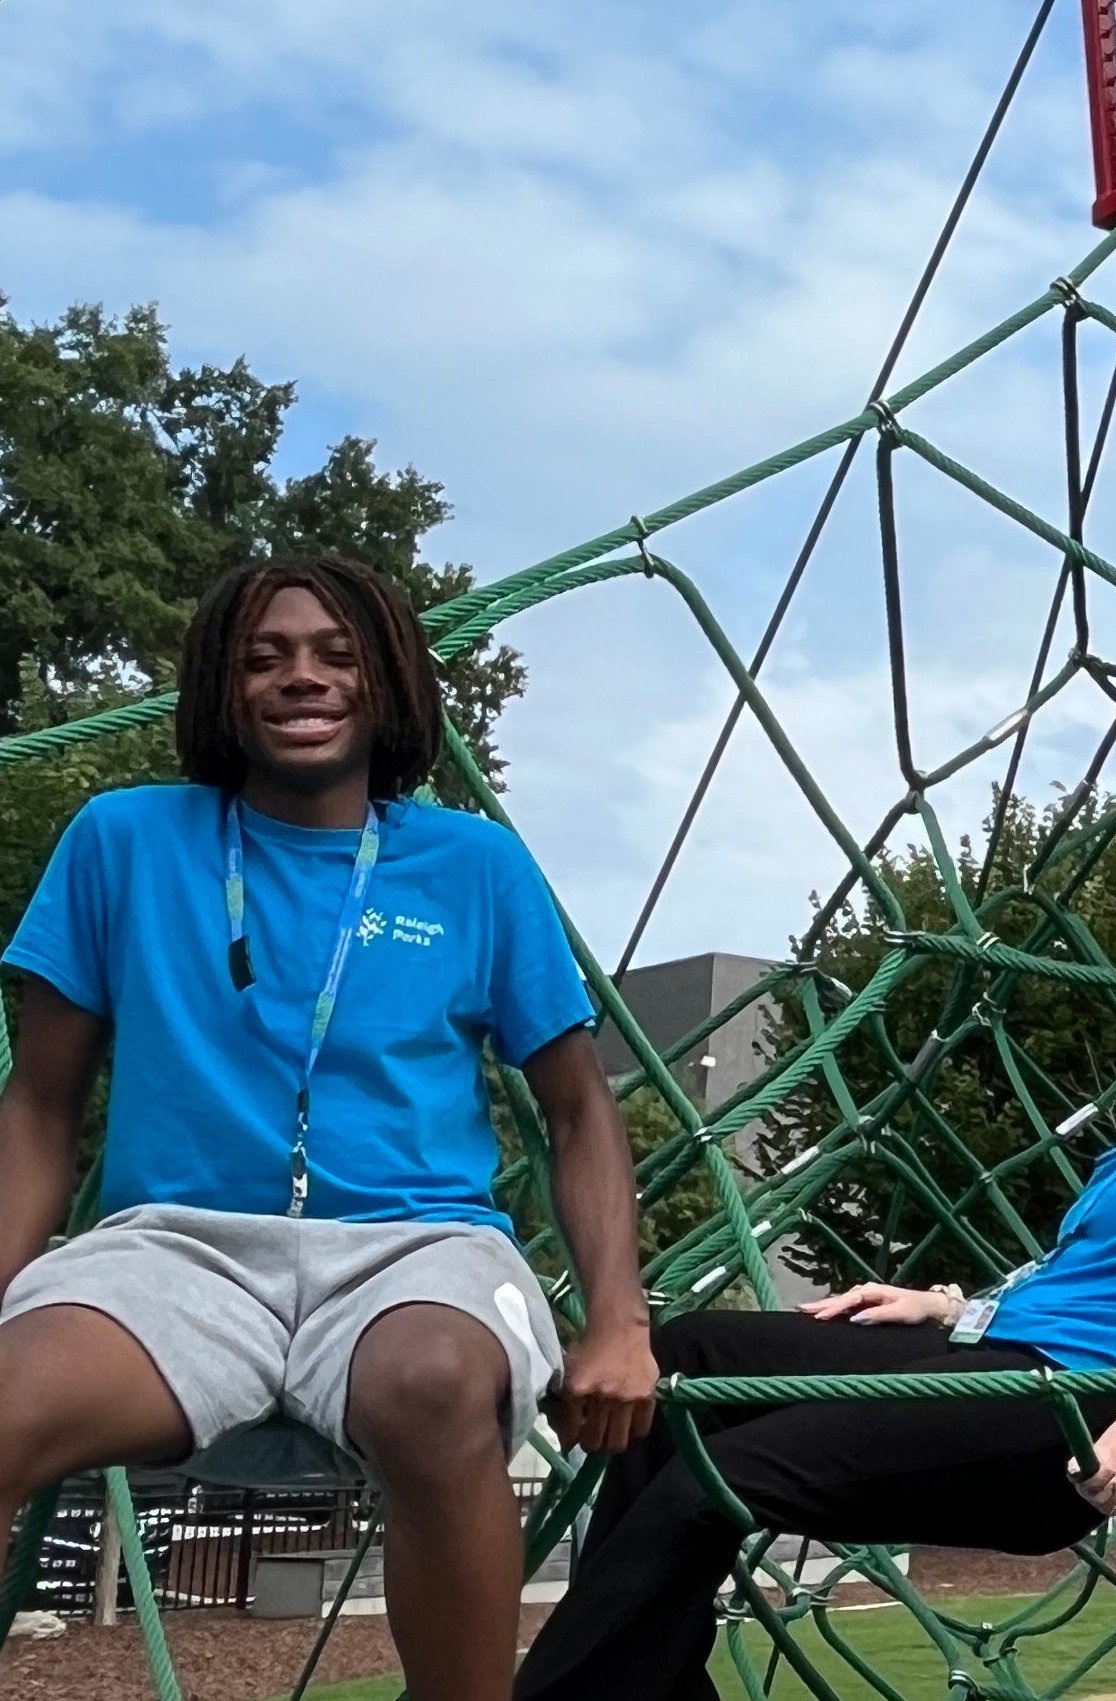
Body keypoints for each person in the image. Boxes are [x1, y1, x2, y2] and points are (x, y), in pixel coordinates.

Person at [0, 556, 657, 1701]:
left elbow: (577, 1107)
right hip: (177, 1248)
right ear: (220, 687)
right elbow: (41, 1107)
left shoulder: (475, 865)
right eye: (265, 657)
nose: (301, 677)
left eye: (336, 655)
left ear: (389, 680)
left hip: (417, 1247)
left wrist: (620, 1322)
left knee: (437, 1382)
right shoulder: (124, 840)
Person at [513, 891, 1116, 1701]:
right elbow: (1066, 1287)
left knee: (714, 1482)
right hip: (1008, 1356)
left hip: (1081, 1409)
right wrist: (946, 1307)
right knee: (686, 1354)